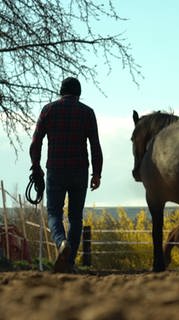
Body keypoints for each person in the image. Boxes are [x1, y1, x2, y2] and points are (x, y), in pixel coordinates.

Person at [29, 77, 103, 273]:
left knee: (54, 212)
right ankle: (69, 262)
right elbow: (95, 145)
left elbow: (36, 142)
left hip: (56, 169)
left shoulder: (48, 110)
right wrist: (97, 173)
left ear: (61, 92)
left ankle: (61, 243)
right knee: (76, 217)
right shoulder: (87, 113)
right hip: (79, 170)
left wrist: (36, 166)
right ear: (78, 94)